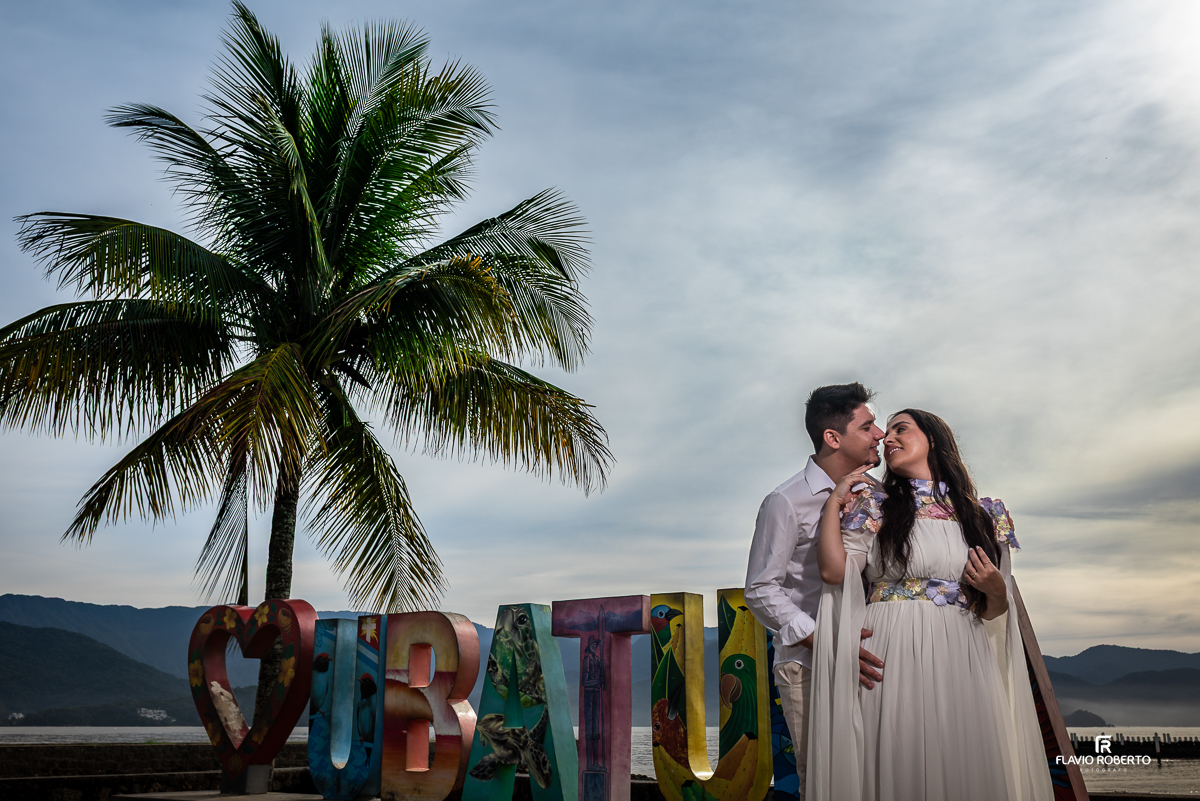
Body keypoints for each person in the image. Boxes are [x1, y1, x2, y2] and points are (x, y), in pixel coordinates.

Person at [807, 409, 1053, 801]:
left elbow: (992, 611)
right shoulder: (876, 504)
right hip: (890, 649)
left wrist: (995, 589)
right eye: (884, 434)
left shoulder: (985, 514)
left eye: (900, 429)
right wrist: (834, 504)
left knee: (960, 755)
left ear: (934, 438)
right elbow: (836, 574)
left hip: (961, 649)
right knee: (895, 754)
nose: (887, 439)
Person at [744, 382, 887, 799]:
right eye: (868, 425)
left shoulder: (880, 497)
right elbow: (760, 588)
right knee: (825, 784)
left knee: (878, 781)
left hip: (874, 663)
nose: (879, 434)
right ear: (833, 437)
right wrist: (823, 639)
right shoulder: (784, 501)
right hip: (809, 667)